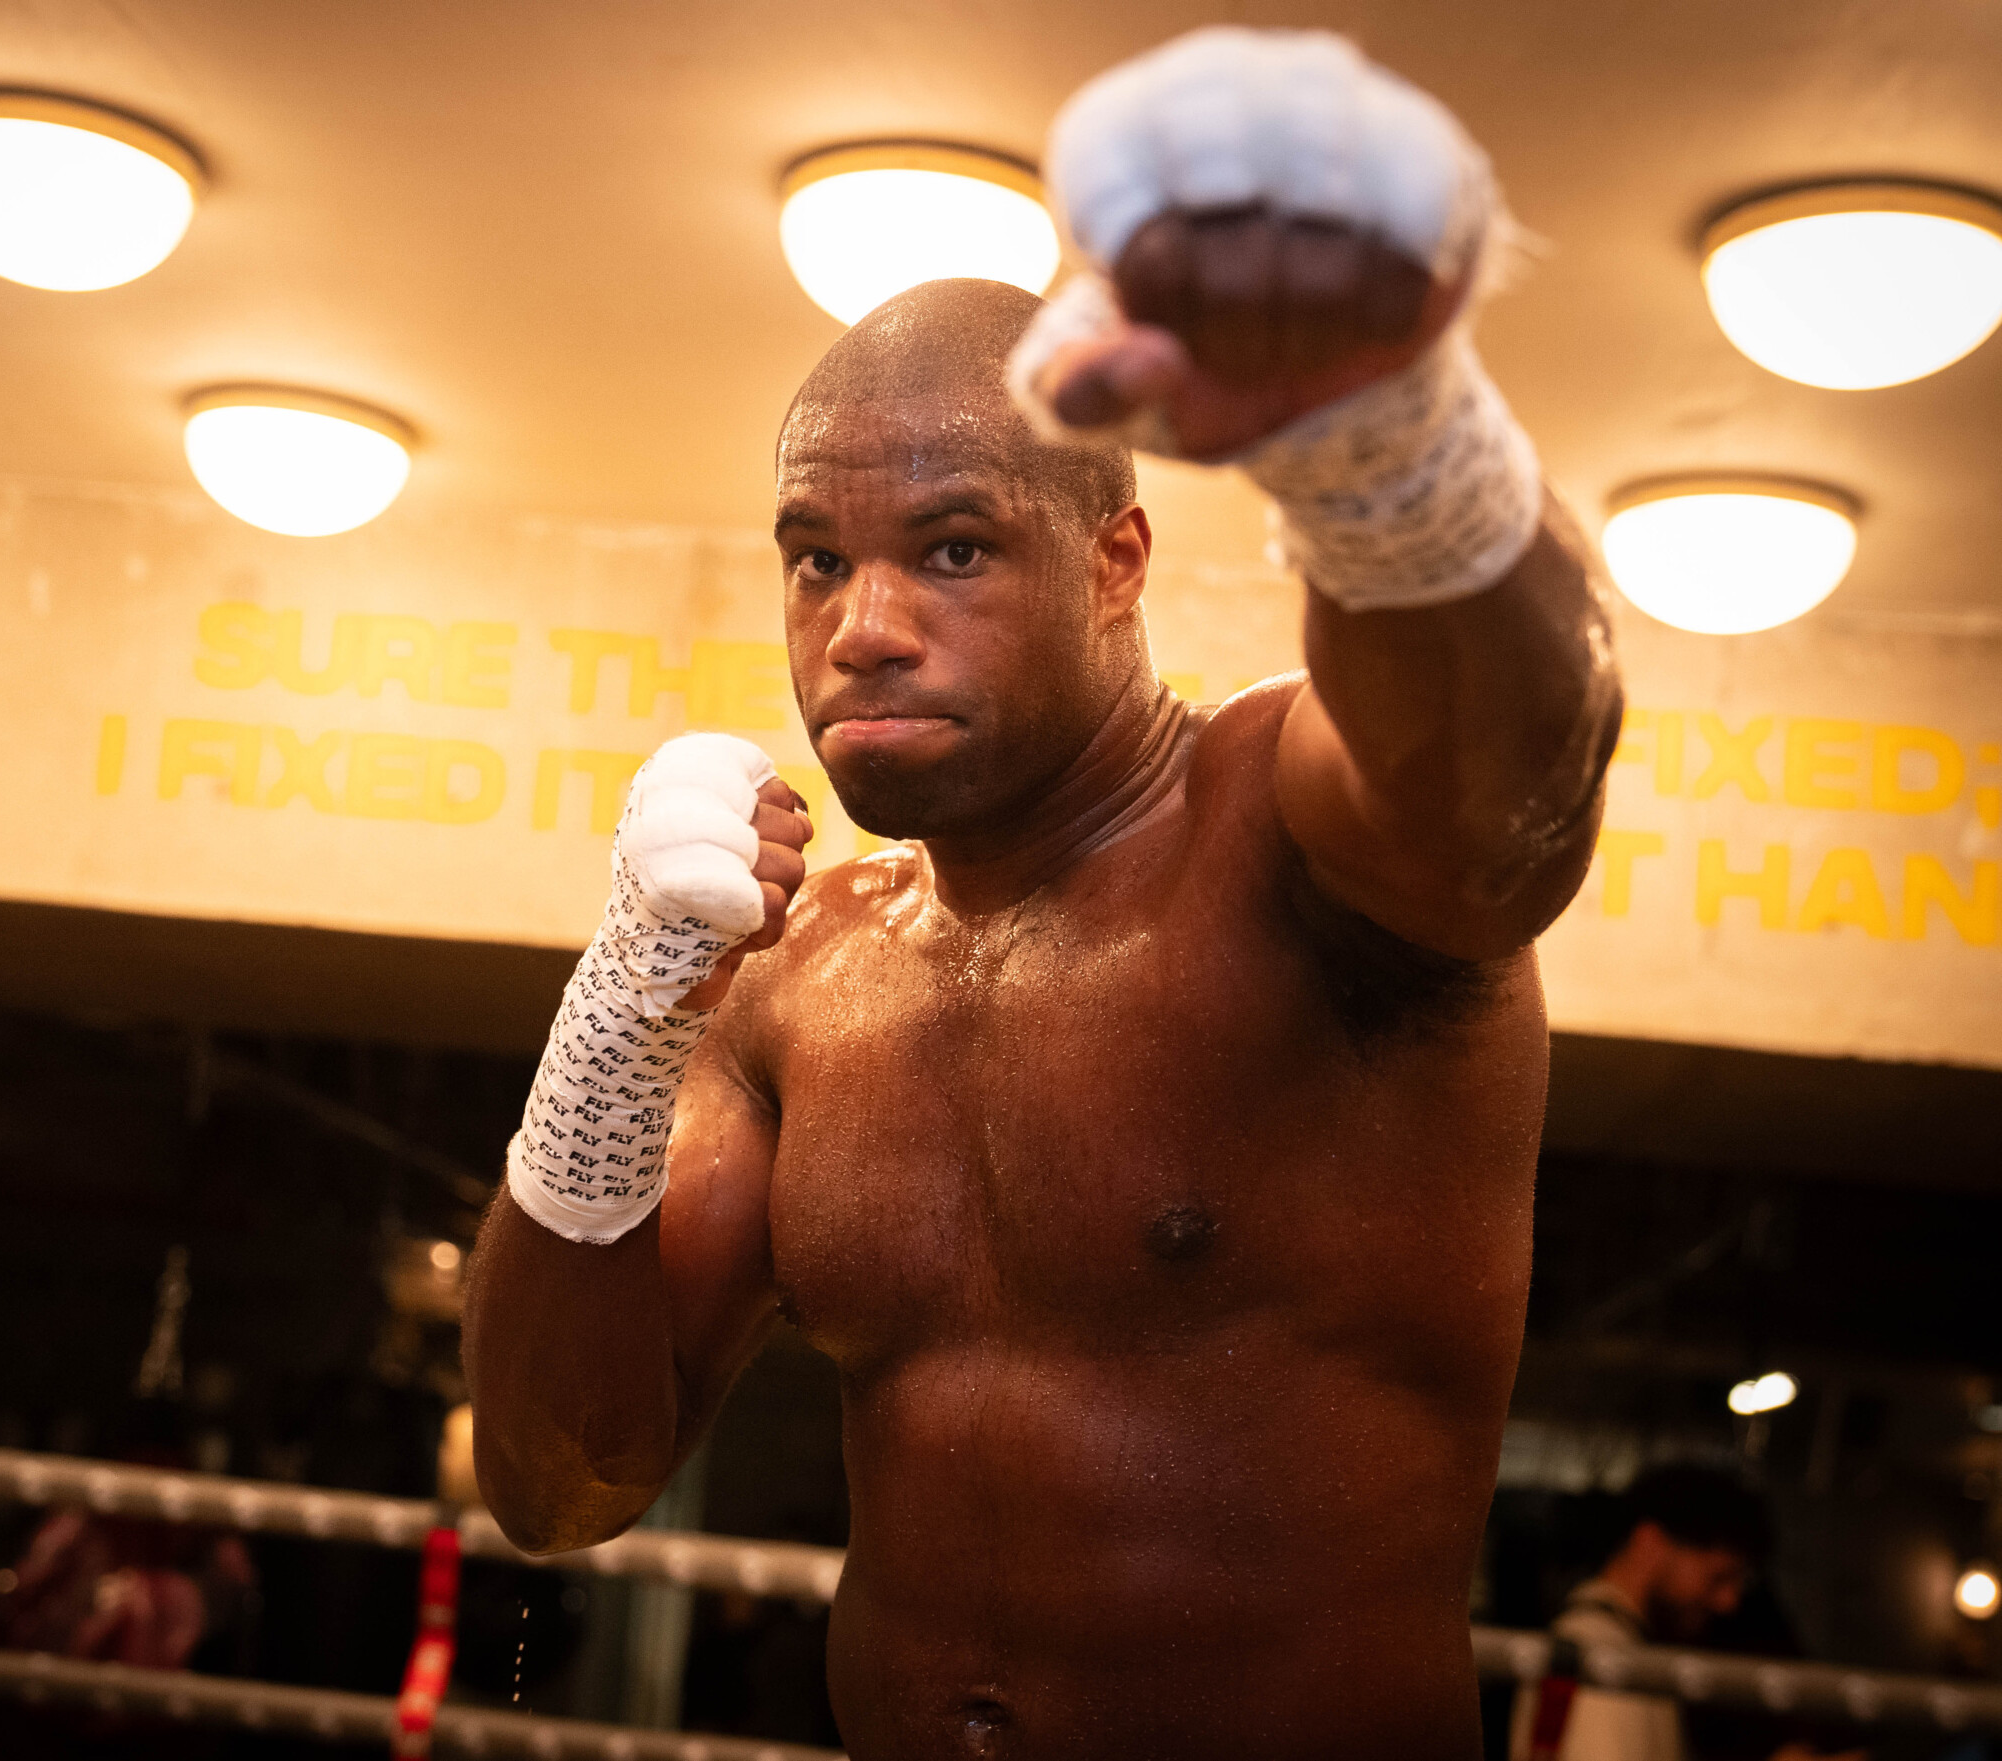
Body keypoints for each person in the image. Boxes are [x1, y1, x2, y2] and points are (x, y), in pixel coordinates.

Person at [467, 28, 1625, 1760]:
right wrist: (615, 1018)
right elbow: (560, 1480)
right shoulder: (795, 978)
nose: (861, 626)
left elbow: (1509, 795)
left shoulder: (1282, 835)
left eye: (954, 547)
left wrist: (1395, 448)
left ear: (1117, 557)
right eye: (816, 559)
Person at [1509, 1465, 1861, 1761]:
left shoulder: (1629, 1648)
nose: (1728, 1602)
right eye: (1718, 1577)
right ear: (1649, 1542)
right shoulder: (1597, 1654)